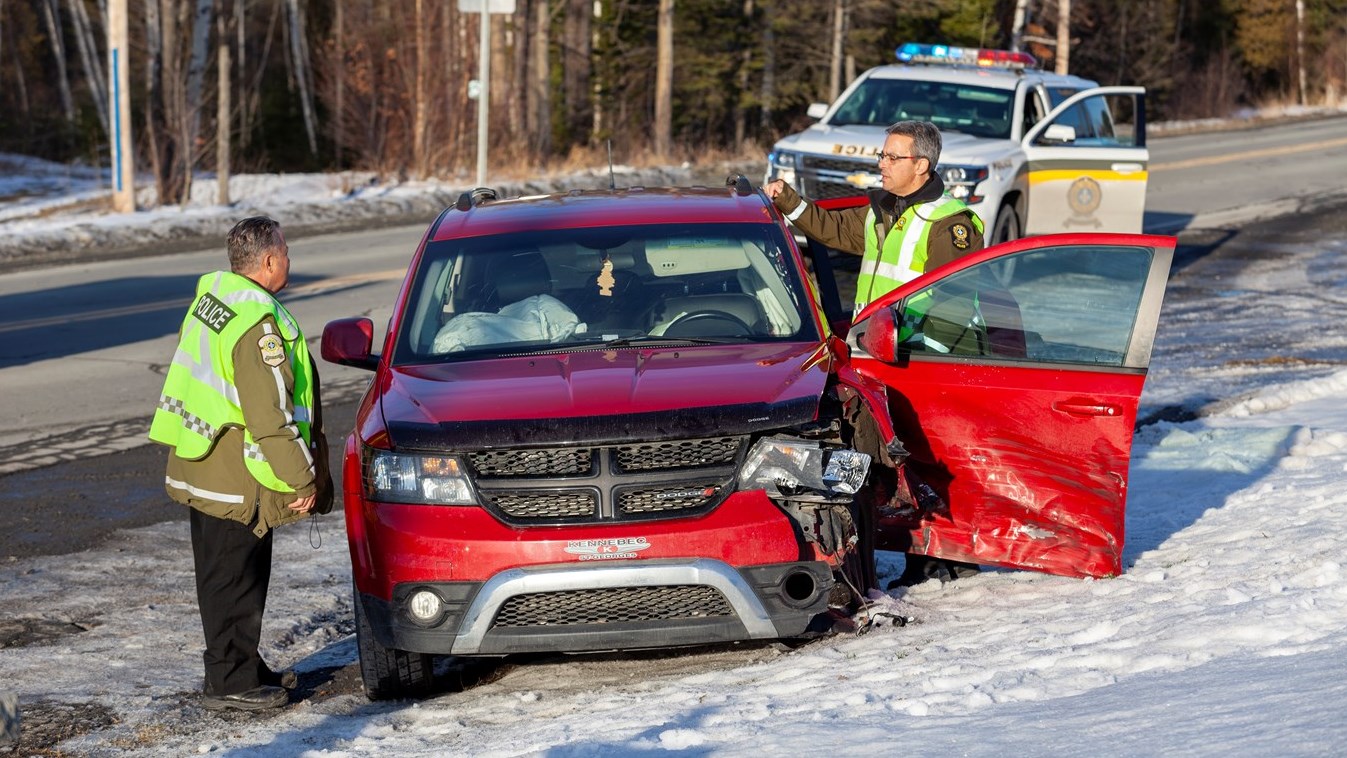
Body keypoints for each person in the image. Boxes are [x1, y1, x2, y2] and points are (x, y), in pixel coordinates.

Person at [765, 120, 984, 588]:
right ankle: (906, 550)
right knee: (888, 462)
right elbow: (832, 228)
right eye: (881, 156)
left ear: (920, 165)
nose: (880, 165)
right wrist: (788, 200)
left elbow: (955, 306)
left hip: (923, 366)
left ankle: (947, 558)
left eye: (891, 157)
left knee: (928, 463)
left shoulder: (949, 223)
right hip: (878, 362)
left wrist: (914, 360)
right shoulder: (882, 211)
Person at [148, 216, 332, 711]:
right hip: (236, 473)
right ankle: (230, 682)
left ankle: (240, 665)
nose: (290, 260)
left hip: (200, 457)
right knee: (235, 576)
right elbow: (268, 415)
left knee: (221, 572)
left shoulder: (215, 300)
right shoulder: (258, 325)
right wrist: (303, 478)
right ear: (269, 261)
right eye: (286, 252)